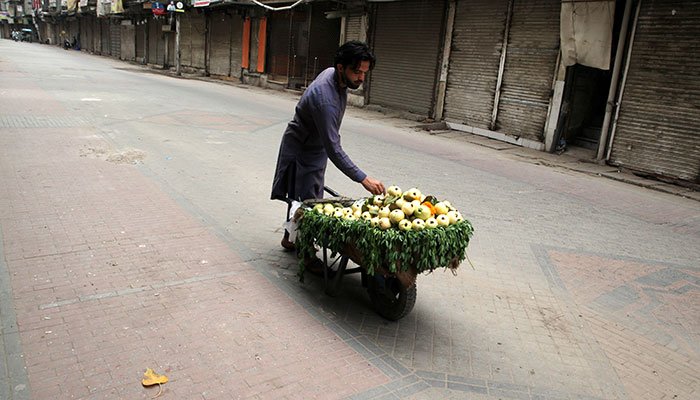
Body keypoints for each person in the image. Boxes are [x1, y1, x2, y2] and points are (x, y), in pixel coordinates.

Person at [271, 41, 385, 254]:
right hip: (303, 149)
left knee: (302, 197)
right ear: (341, 67)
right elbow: (333, 147)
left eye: (364, 73)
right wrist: (363, 178)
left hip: (315, 146)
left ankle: (289, 238)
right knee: (308, 203)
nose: (361, 78)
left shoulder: (334, 74)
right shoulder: (325, 99)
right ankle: (306, 254)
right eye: (357, 72)